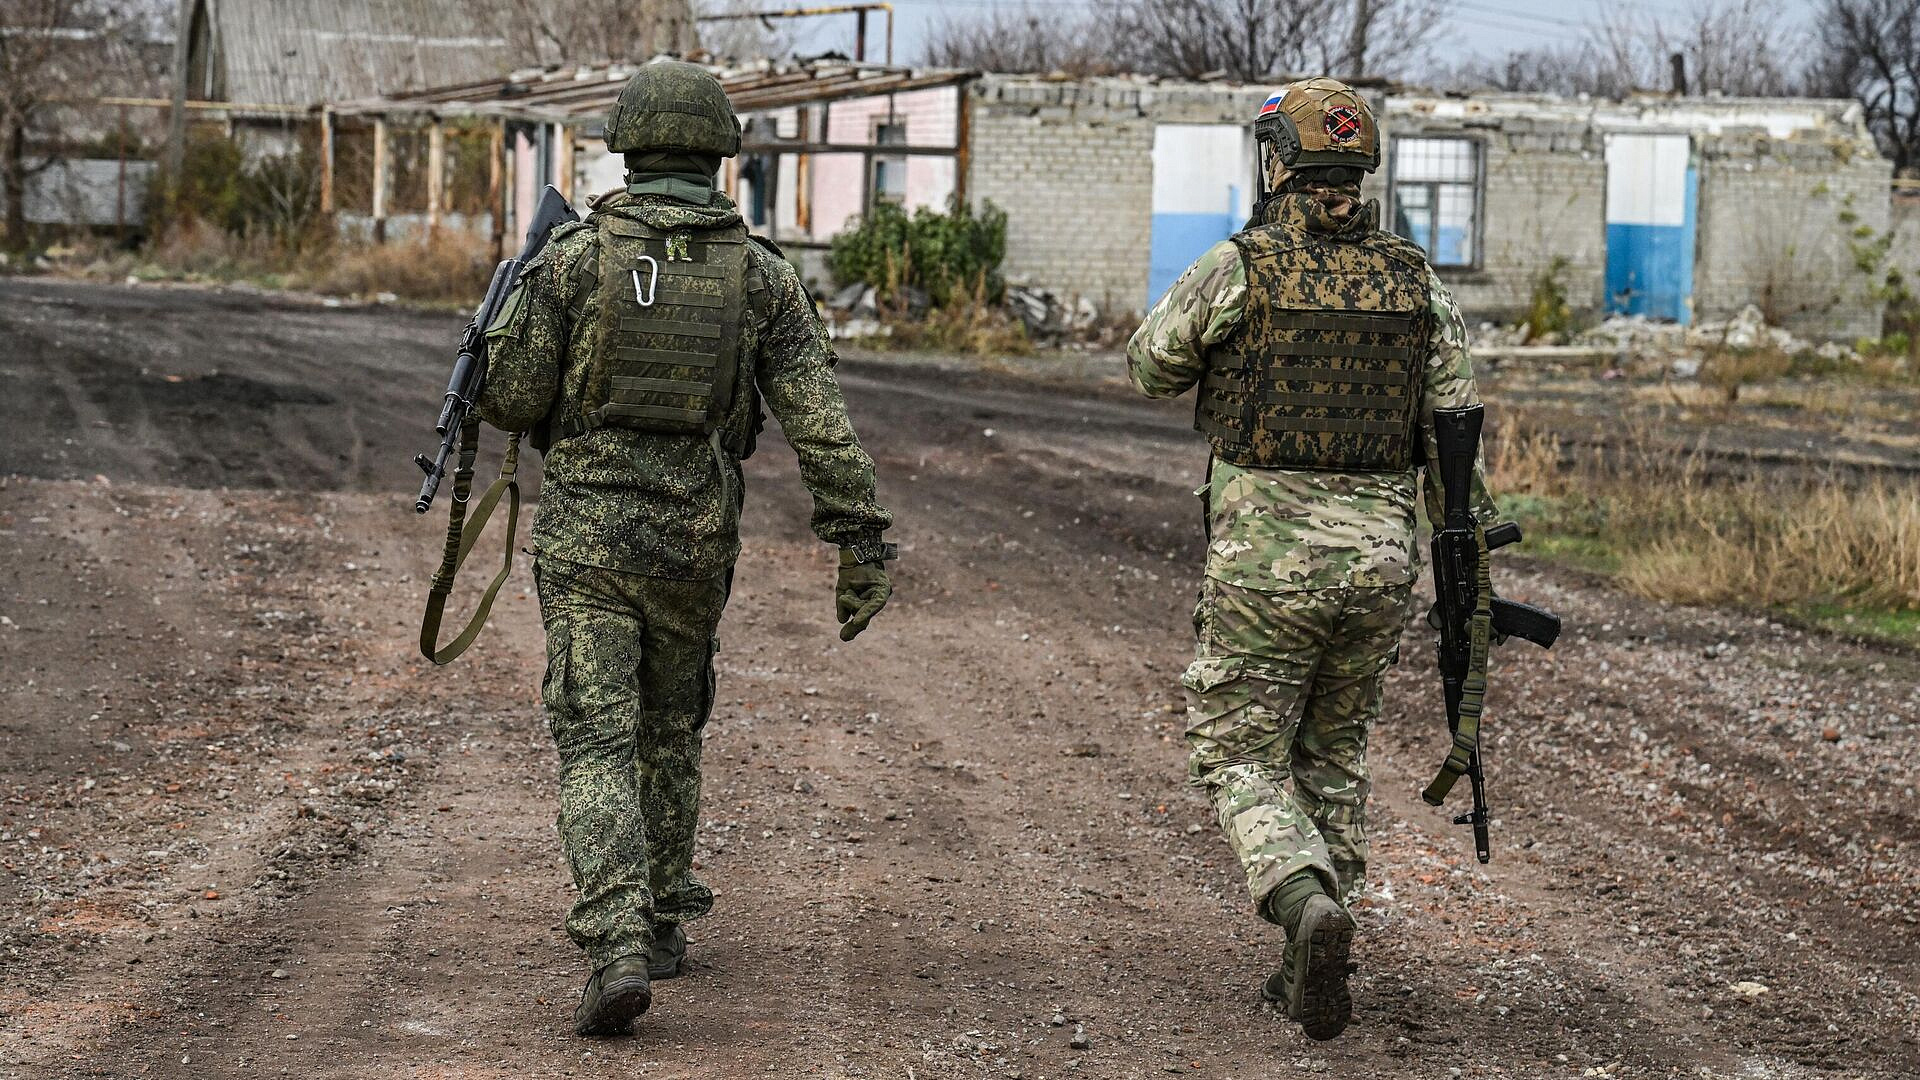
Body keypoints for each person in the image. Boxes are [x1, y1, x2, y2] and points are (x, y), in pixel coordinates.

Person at [476, 60, 896, 1037]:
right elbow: (820, 424)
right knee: (670, 728)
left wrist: (498, 341)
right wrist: (858, 539)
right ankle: (662, 919)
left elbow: (512, 397)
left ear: (627, 145)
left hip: (587, 547)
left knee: (596, 739)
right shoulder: (761, 276)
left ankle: (616, 937)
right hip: (692, 547)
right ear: (719, 153)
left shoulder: (572, 261)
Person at [1124, 78, 1498, 1041]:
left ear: (1279, 163)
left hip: (1266, 559)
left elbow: (1150, 363)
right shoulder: (1416, 279)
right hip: (1380, 561)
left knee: (1238, 751)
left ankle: (1302, 899)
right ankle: (1317, 954)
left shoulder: (1241, 266)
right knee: (1334, 752)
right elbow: (1454, 429)